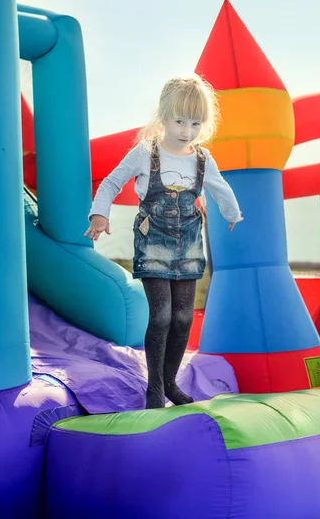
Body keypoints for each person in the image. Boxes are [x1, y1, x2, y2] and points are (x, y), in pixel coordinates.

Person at [84, 75, 243, 409]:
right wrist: (99, 214)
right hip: (153, 240)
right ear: (164, 116)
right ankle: (154, 387)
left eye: (195, 123)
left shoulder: (202, 160)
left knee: (184, 317)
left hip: (188, 243)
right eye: (179, 121)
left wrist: (232, 213)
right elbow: (113, 181)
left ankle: (171, 381)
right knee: (162, 317)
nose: (186, 130)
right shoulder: (147, 152)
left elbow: (219, 188)